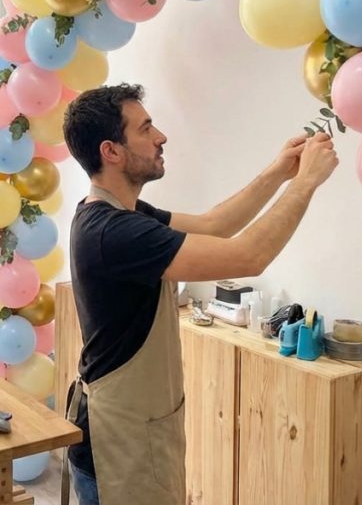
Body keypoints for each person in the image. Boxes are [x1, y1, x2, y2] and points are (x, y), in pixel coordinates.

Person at [60, 83, 338, 505]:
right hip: (118, 442)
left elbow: (212, 225)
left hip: (131, 428)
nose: (161, 137)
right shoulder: (114, 233)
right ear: (111, 151)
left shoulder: (122, 213)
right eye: (146, 128)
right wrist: (306, 183)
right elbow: (250, 255)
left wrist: (278, 171)